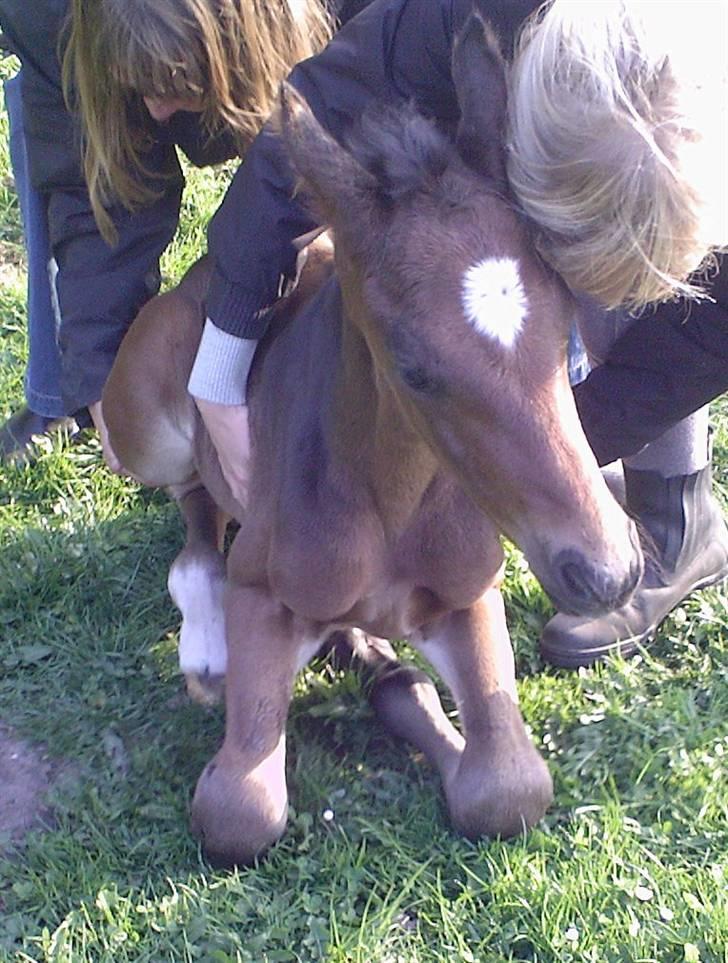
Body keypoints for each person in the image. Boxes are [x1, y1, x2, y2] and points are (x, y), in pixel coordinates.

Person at [174, 0, 726, 666]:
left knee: (666, 320)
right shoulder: (463, 17)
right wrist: (220, 365)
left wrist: (538, 456)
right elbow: (312, 115)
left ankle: (680, 514)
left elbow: (698, 349)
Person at [0, 0, 340, 464]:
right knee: (77, 142)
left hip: (294, 46)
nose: (157, 112)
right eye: (142, 87)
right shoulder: (44, 17)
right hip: (70, 39)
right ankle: (57, 393)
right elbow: (91, 193)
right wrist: (101, 377)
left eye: (173, 86)